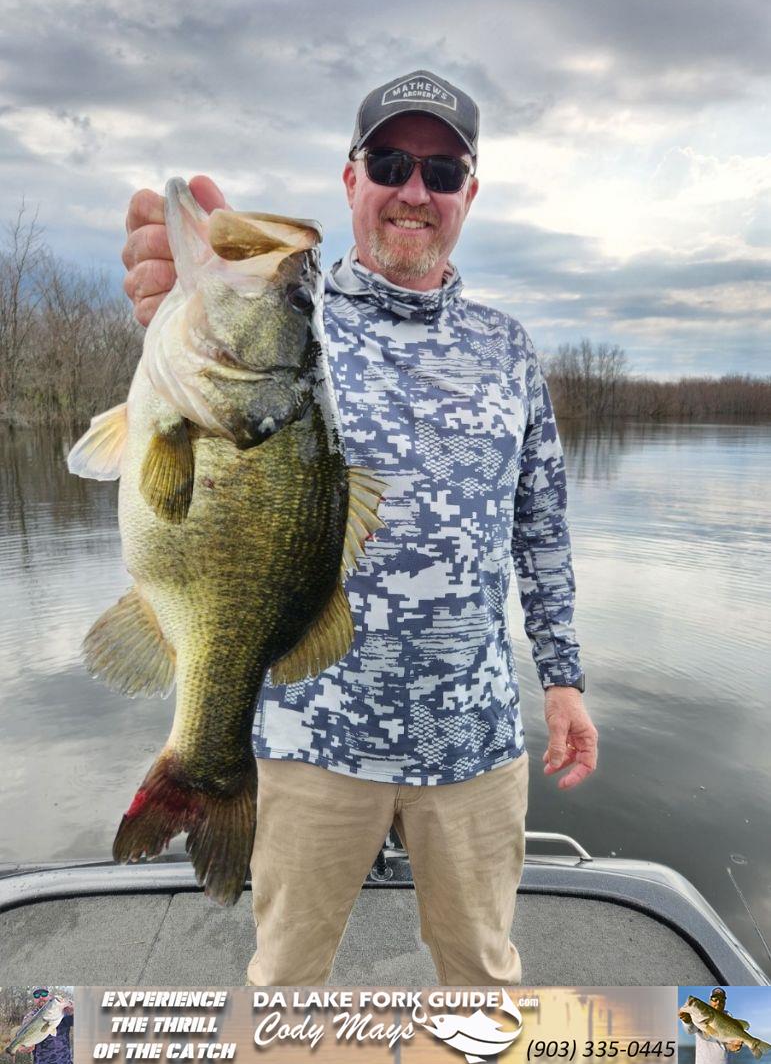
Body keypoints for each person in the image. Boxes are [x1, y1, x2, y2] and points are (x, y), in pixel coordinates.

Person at [121, 69, 599, 985]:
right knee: (286, 986)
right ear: (350, 180)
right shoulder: (290, 311)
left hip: (472, 736)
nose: (414, 189)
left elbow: (540, 522)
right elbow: (194, 390)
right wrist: (171, 295)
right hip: (308, 739)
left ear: (467, 194)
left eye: (441, 171)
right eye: (389, 161)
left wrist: (565, 681)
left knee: (481, 981)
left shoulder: (509, 347)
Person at [679, 988, 743, 1064]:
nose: (718, 1002)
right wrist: (687, 1021)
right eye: (715, 999)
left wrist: (736, 1047)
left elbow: (729, 1044)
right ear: (710, 1000)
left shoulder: (730, 1018)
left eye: (722, 1000)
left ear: (725, 1002)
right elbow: (690, 1030)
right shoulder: (698, 1017)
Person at [16, 989, 74, 1064]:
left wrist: (74, 1010)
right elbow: (23, 1037)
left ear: (50, 996)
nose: (40, 997)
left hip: (65, 1061)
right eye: (36, 995)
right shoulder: (29, 1017)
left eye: (44, 994)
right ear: (34, 1000)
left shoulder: (65, 1011)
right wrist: (23, 1047)